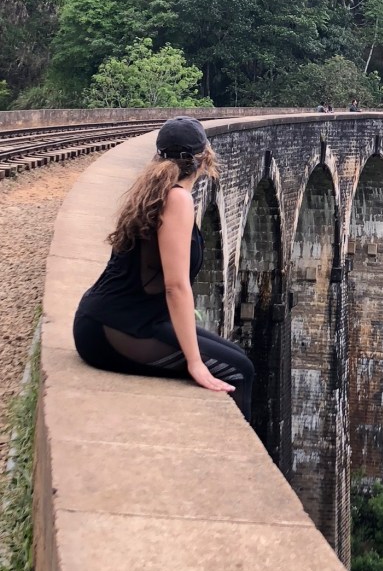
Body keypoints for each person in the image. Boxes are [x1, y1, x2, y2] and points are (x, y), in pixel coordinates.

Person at [73, 117, 254, 419]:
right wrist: (194, 362)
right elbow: (175, 286)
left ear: (159, 156)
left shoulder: (153, 189)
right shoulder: (177, 199)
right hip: (115, 329)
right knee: (238, 371)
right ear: (205, 158)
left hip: (117, 318)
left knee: (239, 357)